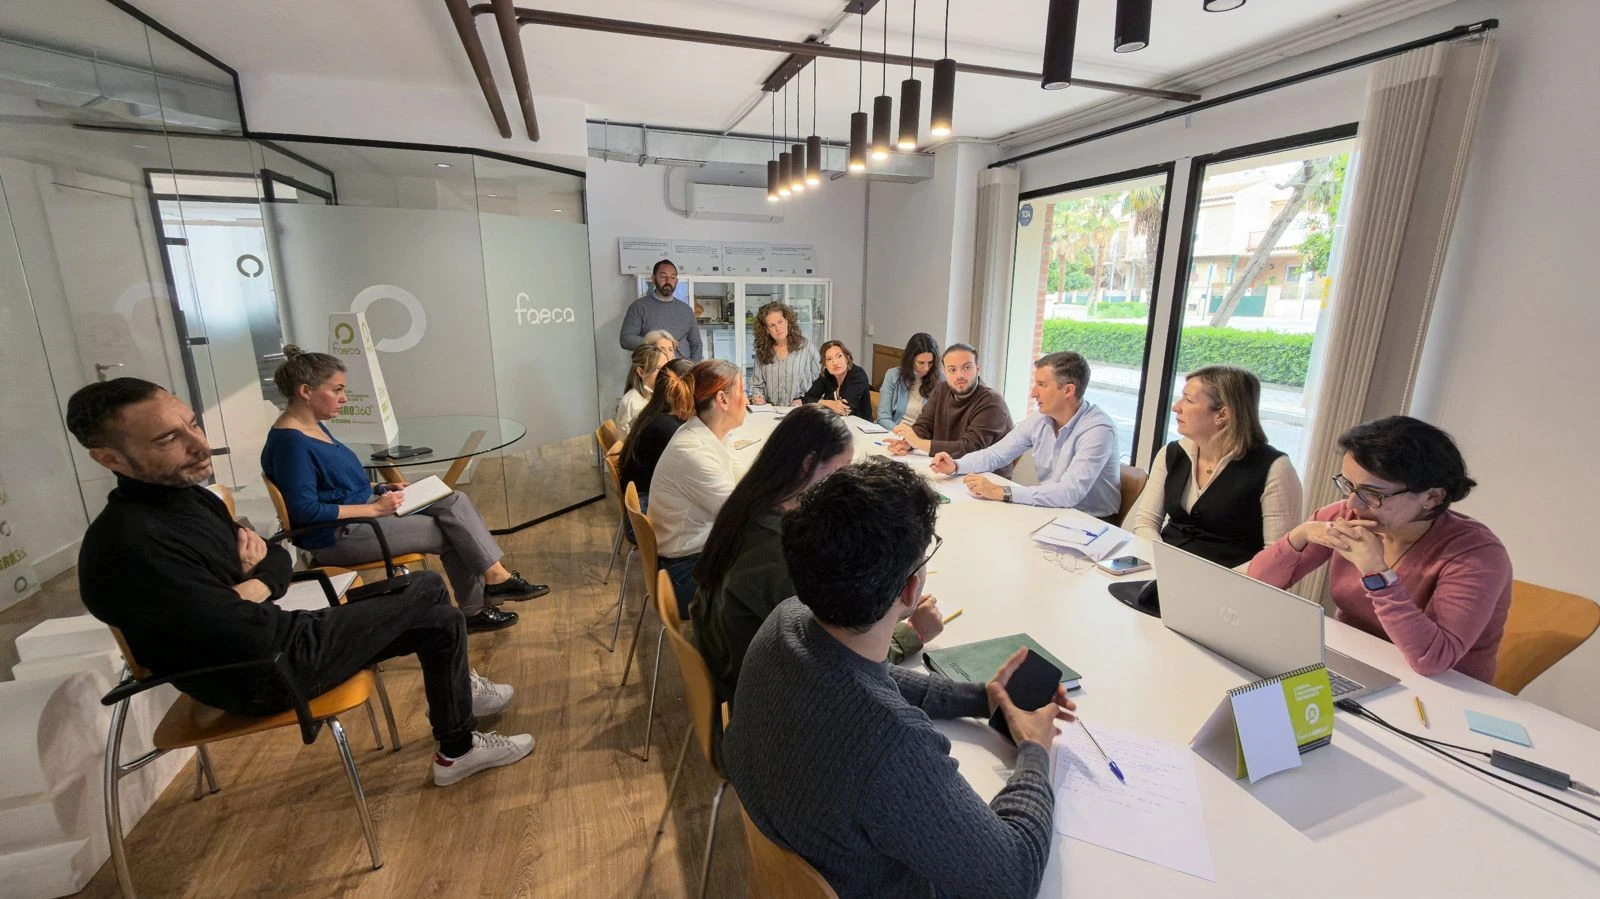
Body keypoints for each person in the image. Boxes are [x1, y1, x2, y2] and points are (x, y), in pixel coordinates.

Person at [68, 379, 534, 786]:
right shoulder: (126, 546)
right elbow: (240, 623)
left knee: (439, 619)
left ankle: (457, 746)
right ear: (110, 458)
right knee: (425, 588)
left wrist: (257, 584)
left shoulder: (192, 500)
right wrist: (260, 583)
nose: (200, 445)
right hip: (263, 672)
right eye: (170, 438)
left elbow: (273, 554)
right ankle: (458, 717)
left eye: (193, 424)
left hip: (278, 635)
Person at [723, 458, 1074, 897]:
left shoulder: (786, 620)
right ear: (911, 589)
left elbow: (874, 678)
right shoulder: (891, 746)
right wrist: (1035, 750)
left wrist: (981, 698)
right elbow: (1013, 878)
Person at [260, 347, 546, 633]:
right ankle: (477, 607)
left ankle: (495, 578)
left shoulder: (313, 426)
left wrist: (382, 486)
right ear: (305, 391)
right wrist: (373, 508)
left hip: (364, 511)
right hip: (339, 535)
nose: (344, 398)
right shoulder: (290, 444)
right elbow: (305, 511)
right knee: (450, 530)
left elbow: (334, 483)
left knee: (454, 499)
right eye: (337, 390)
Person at [690, 406, 943, 702]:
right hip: (760, 692)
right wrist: (911, 632)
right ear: (809, 465)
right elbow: (837, 664)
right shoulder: (783, 553)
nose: (847, 484)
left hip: (726, 659)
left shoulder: (751, 504)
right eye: (841, 470)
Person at [1249, 416, 1512, 682]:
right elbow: (1256, 583)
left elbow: (1433, 659)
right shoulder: (1347, 515)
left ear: (1432, 497)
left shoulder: (1477, 554)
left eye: (1373, 494)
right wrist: (1300, 535)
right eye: (1348, 485)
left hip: (1444, 688)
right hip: (1356, 663)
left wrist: (1377, 573)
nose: (1352, 503)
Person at [1127, 366, 1303, 568]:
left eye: (1188, 400)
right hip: (1163, 569)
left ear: (1222, 414)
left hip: (1231, 581)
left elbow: (1278, 558)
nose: (1176, 407)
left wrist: (1215, 580)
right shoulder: (1172, 453)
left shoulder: (1274, 468)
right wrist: (1162, 563)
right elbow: (1146, 522)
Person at [933, 351, 1120, 516]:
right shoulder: (1041, 419)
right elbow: (995, 454)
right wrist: (956, 465)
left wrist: (1001, 491)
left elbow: (1069, 493)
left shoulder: (1098, 429)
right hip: (1052, 511)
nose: (1033, 393)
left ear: (1068, 390)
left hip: (1091, 522)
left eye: (1042, 385)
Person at [649, 359, 749, 614]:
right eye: (743, 391)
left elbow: (744, 480)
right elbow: (742, 517)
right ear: (722, 400)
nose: (747, 400)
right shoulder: (694, 453)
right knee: (776, 574)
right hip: (685, 573)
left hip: (693, 555)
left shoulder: (703, 435)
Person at [886, 343, 1013, 475]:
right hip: (947, 467)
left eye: (967, 367)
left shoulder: (992, 402)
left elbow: (970, 449)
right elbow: (924, 425)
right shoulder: (941, 389)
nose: (959, 375)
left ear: (977, 368)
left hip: (986, 478)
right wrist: (907, 443)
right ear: (945, 372)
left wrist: (918, 443)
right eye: (952, 370)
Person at [616, 358, 696, 502]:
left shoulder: (655, 412)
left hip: (642, 492)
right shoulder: (666, 427)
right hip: (646, 499)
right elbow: (692, 473)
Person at [619, 259, 703, 360]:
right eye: (663, 276)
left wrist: (694, 366)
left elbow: (696, 343)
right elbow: (626, 339)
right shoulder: (639, 307)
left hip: (683, 367)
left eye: (672, 277)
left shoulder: (686, 310)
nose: (668, 281)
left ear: (676, 281)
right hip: (652, 366)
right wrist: (655, 342)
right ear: (653, 279)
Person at [747, 301, 820, 408]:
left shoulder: (806, 347)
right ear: (767, 330)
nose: (778, 328)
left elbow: (821, 382)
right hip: (771, 412)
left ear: (787, 321)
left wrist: (805, 400)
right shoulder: (762, 351)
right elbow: (756, 386)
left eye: (780, 322)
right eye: (772, 325)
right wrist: (757, 397)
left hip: (801, 411)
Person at [874, 332, 942, 431]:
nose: (926, 368)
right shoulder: (893, 375)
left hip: (923, 435)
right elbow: (883, 417)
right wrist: (901, 432)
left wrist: (914, 437)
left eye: (930, 363)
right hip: (895, 430)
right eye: (921, 363)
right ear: (910, 359)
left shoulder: (941, 381)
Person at [801, 340, 872, 419]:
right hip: (832, 422)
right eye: (829, 359)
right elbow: (806, 399)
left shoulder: (858, 375)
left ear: (847, 358)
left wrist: (819, 403)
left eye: (839, 356)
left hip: (859, 424)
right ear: (825, 364)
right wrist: (829, 403)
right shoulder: (827, 374)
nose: (835, 363)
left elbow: (846, 410)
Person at [615, 344, 667, 440]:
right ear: (641, 372)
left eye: (666, 367)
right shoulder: (632, 402)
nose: (665, 373)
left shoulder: (658, 396)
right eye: (658, 368)